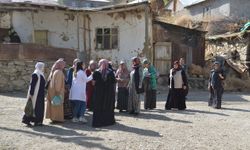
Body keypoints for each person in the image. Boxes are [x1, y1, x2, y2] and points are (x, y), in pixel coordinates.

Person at [92, 59, 116, 127]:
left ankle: (98, 122)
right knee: (107, 106)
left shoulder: (96, 72)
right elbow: (113, 82)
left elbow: (93, 83)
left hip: (99, 93)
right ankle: (107, 121)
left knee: (98, 106)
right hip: (108, 94)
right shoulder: (110, 72)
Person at [22, 62, 46, 126]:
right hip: (35, 94)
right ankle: (26, 120)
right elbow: (32, 85)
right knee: (32, 107)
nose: (43, 68)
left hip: (40, 94)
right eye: (42, 67)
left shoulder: (41, 74)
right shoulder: (35, 74)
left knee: (39, 108)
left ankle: (38, 121)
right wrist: (31, 94)